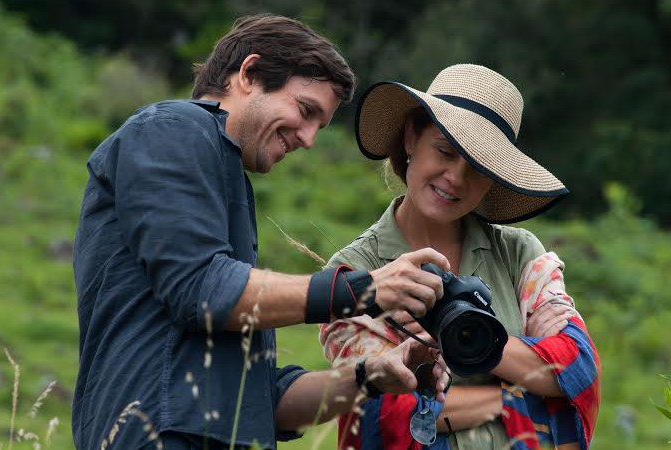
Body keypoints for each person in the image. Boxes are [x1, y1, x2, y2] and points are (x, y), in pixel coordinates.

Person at [72, 14, 451, 450]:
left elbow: (263, 402)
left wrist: (372, 375)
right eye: (306, 111)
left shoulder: (224, 178)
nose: (309, 139)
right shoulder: (173, 128)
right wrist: (365, 290)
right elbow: (202, 288)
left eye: (319, 127)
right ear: (249, 74)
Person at [320, 64, 601, 449]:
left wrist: (455, 338)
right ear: (410, 138)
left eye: (479, 167)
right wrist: (518, 386)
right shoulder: (353, 273)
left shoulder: (519, 253)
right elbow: (387, 409)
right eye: (445, 151)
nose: (455, 177)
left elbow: (578, 370)